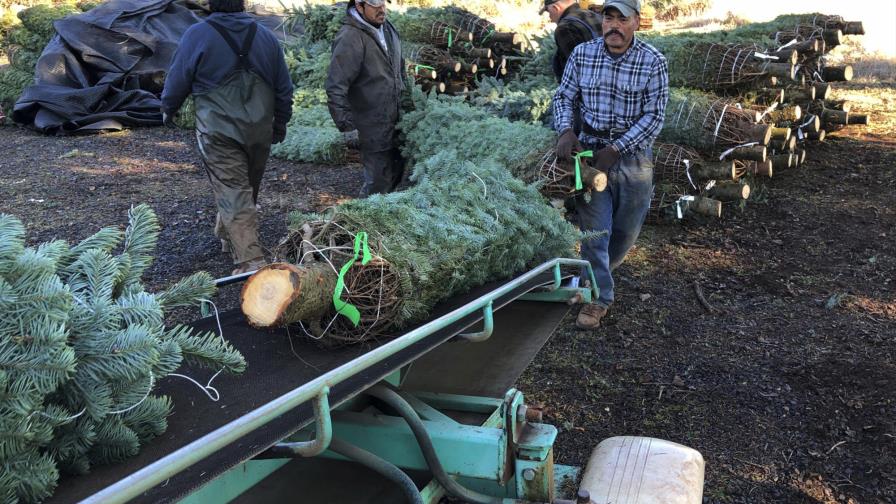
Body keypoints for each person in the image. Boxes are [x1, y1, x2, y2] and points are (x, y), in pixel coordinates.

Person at [552, 0, 669, 329]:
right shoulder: (583, 54)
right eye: (609, 17)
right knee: (595, 232)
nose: (614, 25)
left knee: (624, 232)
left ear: (637, 22)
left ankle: (593, 277)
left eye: (622, 19)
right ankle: (600, 298)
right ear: (601, 20)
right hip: (589, 153)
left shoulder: (652, 61)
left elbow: (654, 117)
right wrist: (565, 130)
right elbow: (565, 96)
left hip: (632, 160)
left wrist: (617, 149)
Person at [161, 0, 293, 275]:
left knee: (235, 188)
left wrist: (168, 109)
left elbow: (178, 78)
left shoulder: (197, 35)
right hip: (259, 129)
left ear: (211, 4)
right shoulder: (266, 37)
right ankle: (231, 235)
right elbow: (283, 87)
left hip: (218, 130)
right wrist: (280, 123)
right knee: (245, 186)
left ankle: (251, 261)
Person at [326, 0, 406, 198]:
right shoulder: (350, 37)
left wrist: (409, 108)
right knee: (377, 187)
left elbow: (401, 72)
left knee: (397, 180)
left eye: (383, 2)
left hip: (397, 123)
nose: (382, 8)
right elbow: (336, 87)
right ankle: (363, 227)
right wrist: (347, 127)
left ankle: (387, 227)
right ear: (359, 6)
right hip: (372, 128)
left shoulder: (388, 29)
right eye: (374, 3)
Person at [541, 0, 603, 82]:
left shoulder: (565, 27)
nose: (550, 18)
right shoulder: (594, 15)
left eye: (548, 12)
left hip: (589, 88)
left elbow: (578, 70)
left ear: (555, 8)